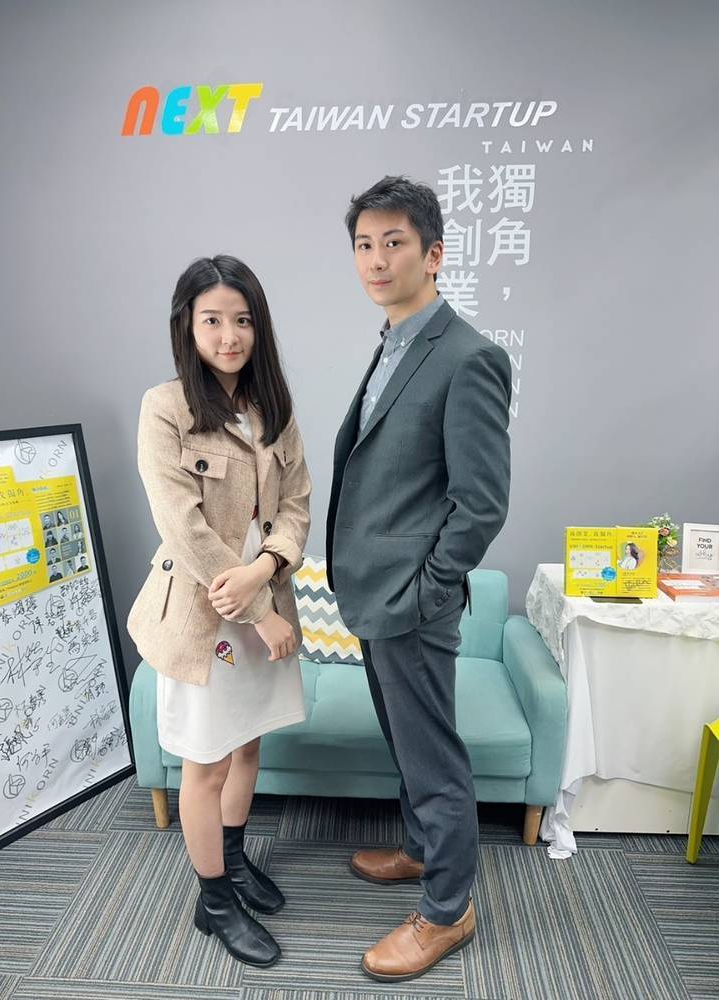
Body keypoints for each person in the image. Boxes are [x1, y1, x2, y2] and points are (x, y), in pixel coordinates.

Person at [326, 176, 512, 982]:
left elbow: (482, 503)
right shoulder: (395, 340)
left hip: (411, 601)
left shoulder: (469, 356)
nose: (376, 259)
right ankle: (420, 851)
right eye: (364, 245)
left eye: (394, 243)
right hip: (374, 594)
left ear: (433, 254)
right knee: (408, 745)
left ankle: (447, 910)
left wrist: (426, 592)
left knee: (434, 759)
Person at [127, 255, 311, 969]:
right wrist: (257, 607)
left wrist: (265, 571)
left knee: (247, 746)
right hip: (205, 617)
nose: (229, 335)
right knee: (203, 765)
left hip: (260, 599)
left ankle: (232, 862)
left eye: (242, 320)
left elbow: (295, 507)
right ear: (188, 326)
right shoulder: (165, 407)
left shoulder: (274, 409)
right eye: (213, 320)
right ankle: (213, 900)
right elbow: (182, 525)